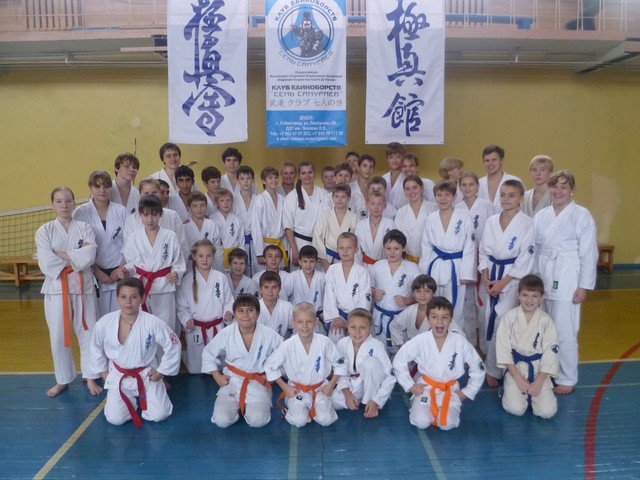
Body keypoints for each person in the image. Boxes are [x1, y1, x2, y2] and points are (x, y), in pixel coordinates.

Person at [533, 170, 597, 394]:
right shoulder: (541, 215)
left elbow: (589, 252)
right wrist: (532, 281)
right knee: (542, 328)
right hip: (543, 273)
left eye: (563, 186)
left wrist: (583, 285)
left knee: (564, 329)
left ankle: (567, 377)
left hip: (568, 275)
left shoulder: (581, 215)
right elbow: (534, 248)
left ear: (572, 190)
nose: (558, 191)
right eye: (554, 186)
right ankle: (546, 372)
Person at [36, 186, 102, 398]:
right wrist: (76, 255)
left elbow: (90, 256)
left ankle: (91, 376)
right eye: (59, 201)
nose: (64, 205)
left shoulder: (85, 228)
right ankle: (62, 379)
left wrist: (62, 254)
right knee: (58, 335)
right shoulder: (44, 231)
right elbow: (46, 262)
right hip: (57, 289)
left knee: (89, 332)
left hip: (84, 287)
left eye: (68, 200)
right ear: (52, 205)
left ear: (74, 203)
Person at [90, 277, 181, 428]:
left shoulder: (152, 322)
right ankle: (124, 400)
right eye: (123, 297)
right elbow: (95, 347)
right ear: (117, 298)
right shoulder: (105, 323)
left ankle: (152, 394)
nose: (128, 302)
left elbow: (173, 344)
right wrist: (103, 372)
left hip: (146, 374)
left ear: (142, 298)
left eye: (133, 297)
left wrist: (161, 371)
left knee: (160, 414)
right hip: (119, 375)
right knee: (116, 419)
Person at [393, 297, 484, 430]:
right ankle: (420, 406)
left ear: (451, 320)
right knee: (421, 422)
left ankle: (440, 411)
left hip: (449, 390)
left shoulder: (459, 341)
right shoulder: (421, 340)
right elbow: (399, 360)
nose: (439, 322)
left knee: (447, 424)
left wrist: (467, 392)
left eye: (444, 317)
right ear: (428, 319)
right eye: (434, 317)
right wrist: (410, 385)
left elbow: (478, 367)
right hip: (425, 388)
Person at [478, 180, 535, 387]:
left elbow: (525, 258)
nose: (506, 199)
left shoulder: (527, 223)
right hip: (491, 275)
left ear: (520, 198)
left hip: (512, 279)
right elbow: (483, 251)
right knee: (488, 319)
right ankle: (493, 364)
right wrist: (486, 276)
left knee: (502, 321)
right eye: (502, 195)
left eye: (512, 195)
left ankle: (495, 370)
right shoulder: (492, 221)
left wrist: (503, 282)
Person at [201, 294, 283, 428]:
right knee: (222, 420)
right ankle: (237, 406)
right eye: (240, 310)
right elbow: (208, 352)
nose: (245, 315)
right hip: (232, 381)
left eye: (250, 310)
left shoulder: (269, 334)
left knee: (258, 421)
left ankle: (248, 407)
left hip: (258, 382)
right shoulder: (227, 333)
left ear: (258, 313)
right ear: (234, 314)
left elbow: (284, 356)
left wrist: (270, 377)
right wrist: (217, 376)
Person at [265, 302, 348, 427]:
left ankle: (315, 406)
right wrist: (286, 388)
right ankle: (294, 407)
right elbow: (269, 366)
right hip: (296, 390)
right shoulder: (287, 345)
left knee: (326, 420)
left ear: (316, 322)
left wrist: (330, 385)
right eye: (300, 322)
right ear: (293, 323)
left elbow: (340, 363)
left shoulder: (324, 342)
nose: (304, 326)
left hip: (320, 388)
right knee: (299, 420)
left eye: (309, 321)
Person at [496, 274, 559, 419]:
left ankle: (536, 392)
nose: (529, 300)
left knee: (547, 412)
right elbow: (503, 350)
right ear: (518, 295)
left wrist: (539, 381)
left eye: (534, 296)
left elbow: (551, 353)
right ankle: (509, 387)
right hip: (516, 369)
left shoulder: (546, 321)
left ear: (542, 297)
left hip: (539, 370)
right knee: (516, 409)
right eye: (525, 295)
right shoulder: (509, 318)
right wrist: (518, 378)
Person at [121, 195, 187, 334]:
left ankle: (166, 349)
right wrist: (126, 270)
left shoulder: (170, 236)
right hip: (141, 286)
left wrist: (176, 273)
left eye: (154, 214)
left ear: (160, 214)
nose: (150, 219)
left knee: (165, 327)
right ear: (139, 215)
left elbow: (178, 262)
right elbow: (131, 263)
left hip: (164, 286)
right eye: (146, 215)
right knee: (143, 328)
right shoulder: (134, 237)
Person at [419, 180, 475, 329]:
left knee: (456, 309)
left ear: (454, 196)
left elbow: (469, 246)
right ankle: (435, 336)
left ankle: (455, 337)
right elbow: (426, 246)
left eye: (447, 195)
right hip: (436, 265)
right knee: (434, 305)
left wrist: (466, 273)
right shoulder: (431, 217)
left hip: (456, 267)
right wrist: (424, 273)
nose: (443, 199)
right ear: (435, 197)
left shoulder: (464, 216)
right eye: (439, 195)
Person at [72, 170, 128, 317]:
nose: (102, 190)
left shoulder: (121, 211)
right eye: (97, 186)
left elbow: (130, 242)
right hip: (93, 272)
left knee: (119, 316)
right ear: (90, 187)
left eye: (106, 186)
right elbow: (78, 247)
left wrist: (121, 268)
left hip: (119, 270)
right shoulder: (81, 212)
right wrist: (97, 271)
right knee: (97, 318)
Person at [177, 240, 234, 374]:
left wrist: (228, 312)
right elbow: (181, 306)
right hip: (196, 329)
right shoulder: (187, 280)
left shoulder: (220, 278)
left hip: (217, 328)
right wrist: (186, 320)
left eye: (208, 256)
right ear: (194, 257)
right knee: (197, 368)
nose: (205, 259)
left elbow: (228, 301)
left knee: (219, 367)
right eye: (201, 256)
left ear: (213, 257)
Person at [457, 171, 499, 353]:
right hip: (463, 261)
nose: (467, 188)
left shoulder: (488, 207)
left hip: (483, 262)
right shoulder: (456, 208)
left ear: (477, 186)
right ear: (459, 187)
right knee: (466, 308)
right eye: (464, 185)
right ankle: (470, 348)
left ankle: (486, 348)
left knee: (483, 307)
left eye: (471, 184)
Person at [332, 308, 396, 418]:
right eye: (353, 327)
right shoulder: (342, 343)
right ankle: (358, 398)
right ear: (347, 327)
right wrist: (347, 394)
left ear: (370, 329)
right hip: (354, 383)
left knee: (369, 362)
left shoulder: (377, 345)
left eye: (362, 328)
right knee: (332, 403)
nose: (357, 332)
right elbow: (339, 371)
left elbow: (391, 376)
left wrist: (377, 400)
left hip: (374, 384)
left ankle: (370, 402)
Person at [370, 229, 419, 349]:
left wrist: (407, 300)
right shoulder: (377, 266)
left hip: (400, 319)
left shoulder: (412, 268)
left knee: (400, 352)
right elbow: (368, 288)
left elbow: (422, 294)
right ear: (384, 248)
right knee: (379, 351)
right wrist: (374, 293)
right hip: (379, 318)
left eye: (396, 248)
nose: (392, 252)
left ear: (404, 248)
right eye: (388, 248)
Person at [123, 178, 190, 261]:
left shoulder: (172, 216)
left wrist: (175, 268)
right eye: (146, 193)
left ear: (160, 193)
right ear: (140, 194)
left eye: (154, 192)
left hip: (169, 267)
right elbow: (129, 250)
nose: (150, 195)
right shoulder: (132, 220)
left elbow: (183, 247)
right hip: (141, 267)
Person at [323, 232, 372, 342]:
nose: (345, 251)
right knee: (336, 333)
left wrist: (350, 322)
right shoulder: (332, 270)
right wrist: (336, 318)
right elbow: (329, 297)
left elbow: (364, 300)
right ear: (337, 249)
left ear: (356, 249)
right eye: (341, 248)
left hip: (357, 317)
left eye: (349, 248)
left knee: (358, 336)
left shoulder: (362, 272)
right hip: (337, 315)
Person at [283, 161, 328, 268]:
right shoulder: (292, 197)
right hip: (299, 244)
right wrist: (294, 250)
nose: (307, 176)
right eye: (303, 173)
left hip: (320, 244)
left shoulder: (324, 194)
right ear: (299, 176)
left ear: (314, 174)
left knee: (319, 276)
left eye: (310, 172)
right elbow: (288, 227)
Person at [313, 184, 358, 272]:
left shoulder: (354, 218)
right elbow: (317, 237)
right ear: (332, 198)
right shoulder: (325, 216)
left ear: (349, 198)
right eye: (337, 196)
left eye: (343, 197)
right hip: (328, 259)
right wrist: (324, 260)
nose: (340, 200)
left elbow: (357, 241)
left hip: (348, 259)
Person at [394, 175, 437, 265]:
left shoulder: (434, 208)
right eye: (407, 189)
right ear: (404, 191)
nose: (411, 192)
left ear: (422, 188)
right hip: (408, 261)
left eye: (414, 187)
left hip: (431, 261)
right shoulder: (401, 212)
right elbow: (399, 239)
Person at [252, 166, 288, 271]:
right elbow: (255, 227)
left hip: (280, 244)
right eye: (270, 178)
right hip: (264, 245)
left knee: (279, 275)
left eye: (276, 177)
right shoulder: (259, 199)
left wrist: (286, 248)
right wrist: (259, 252)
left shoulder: (282, 199)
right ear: (263, 181)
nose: (274, 180)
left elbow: (285, 225)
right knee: (266, 276)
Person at [390, 274, 437, 347]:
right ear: (413, 293)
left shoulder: (439, 312)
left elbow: (453, 331)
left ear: (433, 293)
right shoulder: (410, 310)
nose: (422, 295)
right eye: (418, 291)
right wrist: (401, 347)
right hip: (411, 349)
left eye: (427, 291)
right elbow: (394, 326)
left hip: (431, 350)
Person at [288, 246, 326, 333]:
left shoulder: (323, 278)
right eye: (305, 261)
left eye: (311, 261)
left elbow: (328, 299)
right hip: (299, 320)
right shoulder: (293, 277)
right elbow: (283, 296)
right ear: (299, 261)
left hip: (317, 319)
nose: (308, 265)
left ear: (316, 262)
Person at [354, 190, 395, 268]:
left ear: (385, 206)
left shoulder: (391, 224)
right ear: (366, 205)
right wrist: (360, 269)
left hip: (385, 267)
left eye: (379, 204)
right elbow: (357, 251)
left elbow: (394, 248)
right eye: (372, 203)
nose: (376, 207)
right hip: (365, 266)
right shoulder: (360, 225)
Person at [478, 144, 522, 209]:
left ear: (502, 161)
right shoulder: (478, 184)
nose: (490, 163)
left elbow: (522, 207)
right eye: (487, 160)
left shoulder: (515, 182)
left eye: (494, 160)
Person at [211, 188, 244, 272]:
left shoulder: (237, 220)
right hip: (217, 256)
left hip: (235, 255)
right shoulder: (211, 220)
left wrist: (241, 257)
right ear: (216, 203)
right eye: (222, 200)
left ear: (232, 202)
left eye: (228, 200)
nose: (226, 203)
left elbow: (241, 242)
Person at [233, 165, 257, 276]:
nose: (246, 181)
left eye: (248, 178)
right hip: (239, 241)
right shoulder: (233, 199)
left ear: (253, 180)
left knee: (258, 270)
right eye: (242, 178)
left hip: (256, 241)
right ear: (237, 181)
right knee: (240, 272)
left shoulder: (259, 199)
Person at [183, 192, 221, 259]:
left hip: (210, 262)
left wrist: (218, 264)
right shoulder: (184, 226)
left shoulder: (212, 224)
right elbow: (183, 250)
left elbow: (217, 248)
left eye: (202, 205)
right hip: (190, 262)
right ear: (189, 208)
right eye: (195, 206)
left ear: (206, 206)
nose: (199, 209)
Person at [257, 271, 294, 338]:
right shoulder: (254, 307)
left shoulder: (287, 307)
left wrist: (290, 342)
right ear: (260, 289)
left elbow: (298, 328)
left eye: (274, 287)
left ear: (279, 289)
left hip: (282, 344)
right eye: (266, 287)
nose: (270, 291)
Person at [382, 142, 407, 209]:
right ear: (387, 159)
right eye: (391, 157)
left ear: (403, 158)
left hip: (403, 213)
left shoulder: (407, 177)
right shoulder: (384, 178)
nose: (394, 160)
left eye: (398, 157)